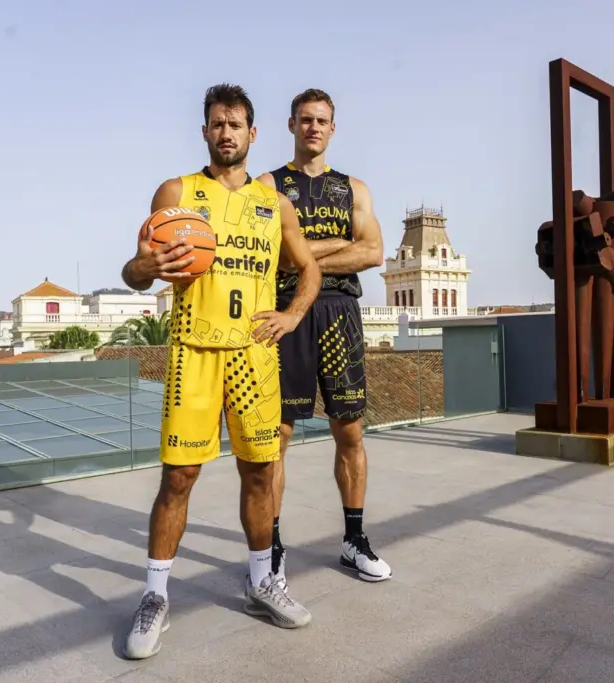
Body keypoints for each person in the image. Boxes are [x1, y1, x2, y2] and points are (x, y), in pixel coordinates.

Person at [119, 83, 322, 660]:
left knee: (260, 473)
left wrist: (292, 314)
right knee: (179, 477)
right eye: (217, 124)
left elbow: (308, 269)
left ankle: (262, 582)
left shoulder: (274, 203)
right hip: (194, 351)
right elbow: (134, 273)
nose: (226, 133)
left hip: (254, 353)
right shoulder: (178, 193)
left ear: (253, 133)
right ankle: (155, 596)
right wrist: (146, 266)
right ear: (205, 131)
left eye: (235, 124)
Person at [257, 88, 391, 590]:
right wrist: (339, 244)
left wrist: (304, 253)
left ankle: (354, 539)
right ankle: (271, 547)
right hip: (286, 313)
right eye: (305, 119)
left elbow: (373, 252)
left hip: (339, 312)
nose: (313, 127)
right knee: (278, 435)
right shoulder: (268, 186)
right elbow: (274, 257)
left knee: (350, 431)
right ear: (291, 125)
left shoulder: (353, 189)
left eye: (322, 120)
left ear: (333, 128)